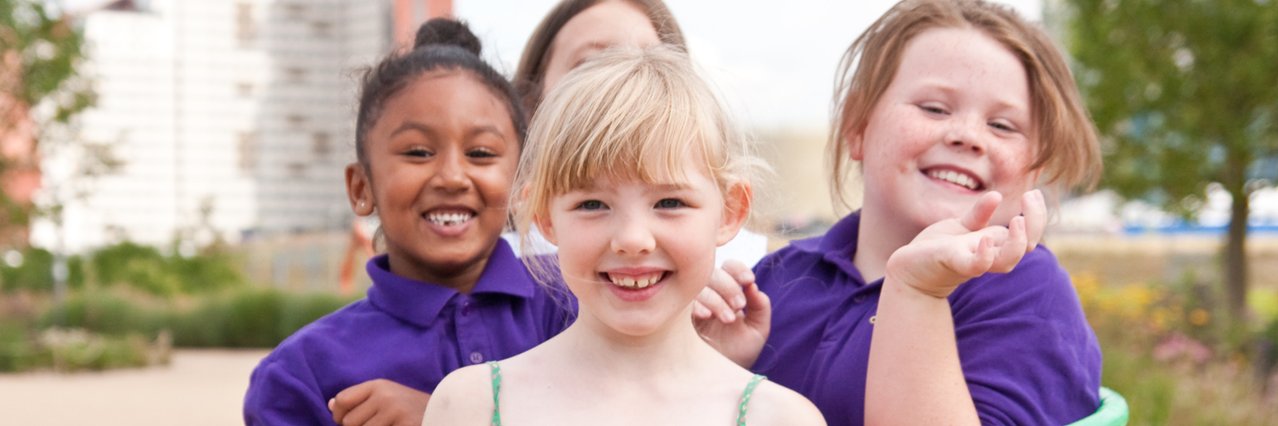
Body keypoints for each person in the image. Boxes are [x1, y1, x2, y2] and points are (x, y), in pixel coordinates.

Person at [709, 0, 1104, 424]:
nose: (968, 136)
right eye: (934, 108)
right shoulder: (778, 278)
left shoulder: (1026, 294)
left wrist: (917, 292)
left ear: (1035, 170)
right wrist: (700, 363)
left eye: (1003, 126)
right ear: (857, 128)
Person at [421, 46, 825, 425]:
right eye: (593, 204)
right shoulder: (470, 406)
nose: (633, 239)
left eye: (669, 202)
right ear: (544, 216)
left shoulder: (778, 418)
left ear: (731, 211)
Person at [243, 19, 573, 426]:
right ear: (362, 187)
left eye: (482, 153)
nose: (452, 176)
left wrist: (447, 416)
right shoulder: (303, 373)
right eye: (418, 152)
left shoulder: (575, 304)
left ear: (522, 181)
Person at [501, 0, 770, 270]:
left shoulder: (754, 269)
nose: (624, 81)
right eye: (592, 63)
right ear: (529, 99)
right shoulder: (494, 271)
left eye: (670, 202)